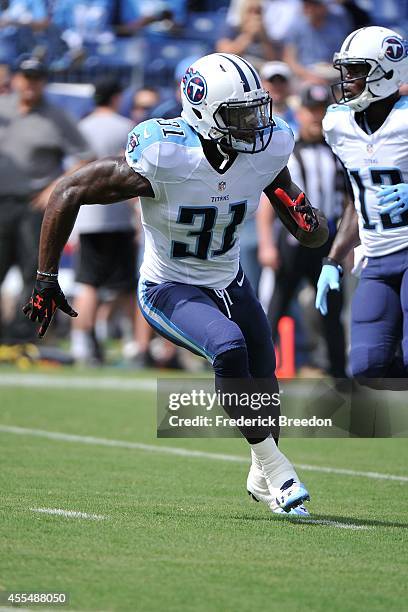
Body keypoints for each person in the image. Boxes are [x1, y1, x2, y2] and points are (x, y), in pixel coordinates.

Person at [23, 53, 329, 516]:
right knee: (227, 347)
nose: (253, 124)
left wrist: (312, 227)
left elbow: (304, 223)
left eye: (255, 110)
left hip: (231, 280)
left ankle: (260, 473)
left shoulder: (266, 148)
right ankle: (280, 471)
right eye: (239, 115)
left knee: (265, 383)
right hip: (170, 287)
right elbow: (69, 190)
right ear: (204, 112)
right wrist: (45, 278)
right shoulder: (166, 153)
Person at [315, 26, 408, 389]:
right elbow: (356, 199)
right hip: (377, 256)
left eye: (357, 70)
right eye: (346, 70)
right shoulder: (337, 125)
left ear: (387, 71)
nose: (347, 80)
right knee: (367, 367)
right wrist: (333, 259)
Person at [0, 55, 93, 340]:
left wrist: (54, 187)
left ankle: (22, 337)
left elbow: (84, 158)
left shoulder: (56, 116)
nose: (31, 84)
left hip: (33, 204)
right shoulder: (3, 108)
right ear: (17, 79)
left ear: (44, 82)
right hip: (1, 202)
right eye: (27, 77)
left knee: (33, 270)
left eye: (37, 78)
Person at [258, 84, 347, 378]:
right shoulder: (289, 153)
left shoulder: (337, 152)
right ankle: (258, 369)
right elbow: (269, 202)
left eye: (321, 112)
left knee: (332, 310)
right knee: (277, 306)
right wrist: (266, 243)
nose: (315, 118)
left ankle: (337, 370)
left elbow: (346, 202)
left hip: (328, 243)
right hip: (293, 243)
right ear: (300, 112)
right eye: (311, 111)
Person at [71, 77, 137, 365]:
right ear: (115, 97)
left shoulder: (81, 127)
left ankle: (82, 342)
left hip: (87, 215)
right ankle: (134, 344)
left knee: (88, 283)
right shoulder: (125, 126)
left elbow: (73, 172)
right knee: (127, 285)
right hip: (118, 214)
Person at [282, 0, 352, 85]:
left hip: (336, 71)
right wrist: (309, 76)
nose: (308, 7)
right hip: (308, 74)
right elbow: (290, 60)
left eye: (314, 4)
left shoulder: (339, 19)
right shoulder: (296, 26)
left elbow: (348, 51)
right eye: (306, 4)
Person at [216, 0, 277, 68]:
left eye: (258, 12)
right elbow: (224, 56)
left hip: (262, 71)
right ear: (242, 13)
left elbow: (273, 61)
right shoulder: (232, 29)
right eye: (250, 11)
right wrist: (248, 35)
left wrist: (263, 37)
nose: (255, 16)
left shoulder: (267, 31)